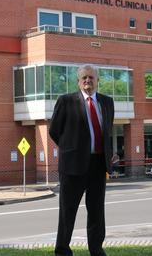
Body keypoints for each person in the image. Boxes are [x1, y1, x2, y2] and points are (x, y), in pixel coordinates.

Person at [49, 64, 116, 256]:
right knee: (67, 212)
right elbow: (54, 130)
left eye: (91, 78)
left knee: (96, 212)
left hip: (98, 165)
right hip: (72, 166)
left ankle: (96, 250)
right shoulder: (66, 101)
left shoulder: (107, 102)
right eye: (84, 78)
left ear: (97, 80)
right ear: (78, 81)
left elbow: (107, 132)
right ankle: (62, 251)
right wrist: (71, 148)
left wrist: (108, 153)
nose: (88, 81)